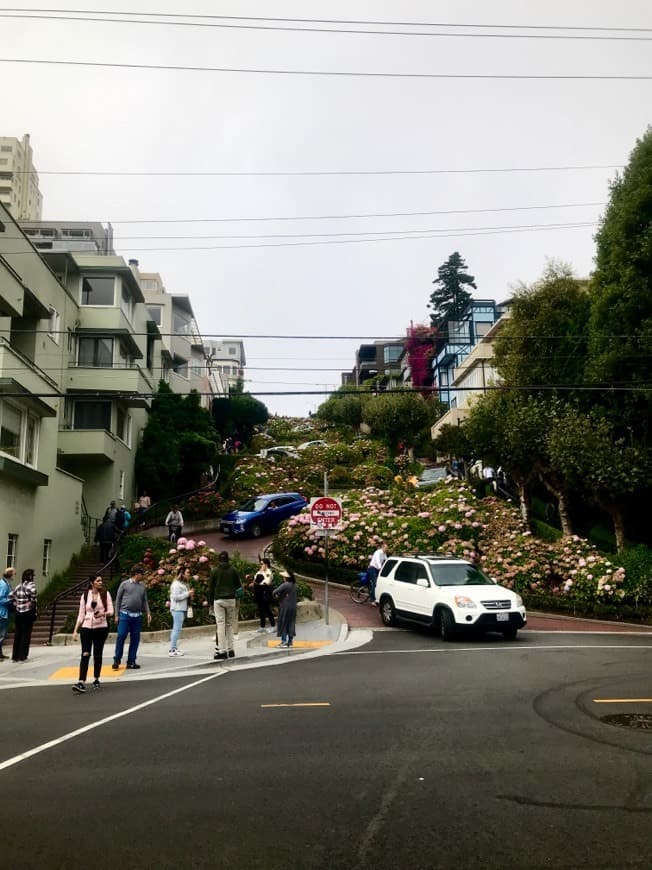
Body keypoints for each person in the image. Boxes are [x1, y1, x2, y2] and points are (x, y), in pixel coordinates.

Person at [71, 575, 114, 693]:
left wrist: (102, 614)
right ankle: (81, 682)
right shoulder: (85, 596)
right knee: (85, 653)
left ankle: (96, 679)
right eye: (98, 581)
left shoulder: (105, 594)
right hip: (86, 627)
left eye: (101, 580)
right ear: (92, 583)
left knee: (97, 654)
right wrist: (75, 630)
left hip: (101, 627)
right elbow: (81, 614)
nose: (101, 582)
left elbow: (111, 611)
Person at [112, 565, 151, 670]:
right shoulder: (124, 584)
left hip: (137, 616)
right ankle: (117, 659)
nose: (143, 576)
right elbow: (118, 600)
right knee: (121, 635)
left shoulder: (142, 587)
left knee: (135, 639)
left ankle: (131, 661)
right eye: (142, 574)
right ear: (136, 574)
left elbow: (145, 600)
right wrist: (116, 615)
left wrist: (148, 613)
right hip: (124, 614)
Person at [208, 551, 243, 661]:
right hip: (231, 600)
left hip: (218, 600)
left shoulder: (214, 571)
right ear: (228, 559)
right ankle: (231, 649)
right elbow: (239, 587)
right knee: (229, 625)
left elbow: (211, 588)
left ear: (219, 559)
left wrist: (210, 603)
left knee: (220, 625)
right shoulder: (233, 570)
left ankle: (222, 650)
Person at [11, 568, 38, 663]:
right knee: (26, 634)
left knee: (18, 634)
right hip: (27, 612)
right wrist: (30, 602)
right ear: (30, 576)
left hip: (18, 612)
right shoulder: (31, 585)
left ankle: (15, 656)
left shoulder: (19, 586)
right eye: (33, 576)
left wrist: (16, 603)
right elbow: (34, 595)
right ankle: (23, 656)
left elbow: (11, 596)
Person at [168, 566, 194, 657]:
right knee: (176, 629)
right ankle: (172, 649)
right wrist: (188, 594)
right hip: (177, 609)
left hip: (181, 608)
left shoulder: (182, 584)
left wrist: (189, 595)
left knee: (177, 629)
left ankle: (173, 648)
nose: (189, 574)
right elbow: (175, 597)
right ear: (182, 573)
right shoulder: (176, 584)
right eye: (187, 572)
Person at [250, 558, 275, 633]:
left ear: (266, 564)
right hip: (258, 592)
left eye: (262, 564)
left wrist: (258, 579)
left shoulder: (269, 572)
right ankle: (262, 626)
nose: (260, 565)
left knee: (267, 609)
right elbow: (255, 580)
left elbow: (266, 582)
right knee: (261, 610)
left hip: (265, 591)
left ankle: (273, 626)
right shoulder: (259, 571)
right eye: (260, 564)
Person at [274, 569, 297, 648]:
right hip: (293, 607)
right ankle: (290, 642)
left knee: (283, 623)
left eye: (283, 576)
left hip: (285, 607)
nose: (283, 577)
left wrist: (279, 596)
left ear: (286, 577)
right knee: (291, 623)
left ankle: (283, 641)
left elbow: (275, 591)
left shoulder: (285, 584)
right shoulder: (294, 585)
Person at [0, 567, 16, 660]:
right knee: (1, 634)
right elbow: (1, 599)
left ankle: (0, 653)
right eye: (14, 573)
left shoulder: (5, 583)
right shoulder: (3, 585)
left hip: (4, 612)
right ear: (10, 574)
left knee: (2, 634)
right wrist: (11, 600)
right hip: (2, 612)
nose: (15, 575)